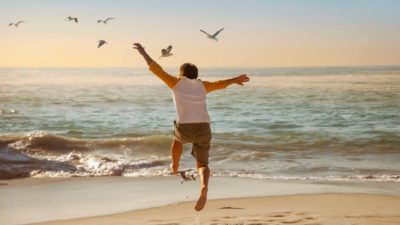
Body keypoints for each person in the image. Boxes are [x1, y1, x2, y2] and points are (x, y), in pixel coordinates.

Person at [133, 43, 250, 211]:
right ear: (196, 75)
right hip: (203, 127)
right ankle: (204, 187)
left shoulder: (175, 83)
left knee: (177, 140)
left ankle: (174, 166)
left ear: (182, 74)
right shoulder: (203, 85)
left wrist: (143, 52)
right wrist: (234, 80)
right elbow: (220, 83)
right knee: (202, 164)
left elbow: (155, 68)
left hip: (184, 128)